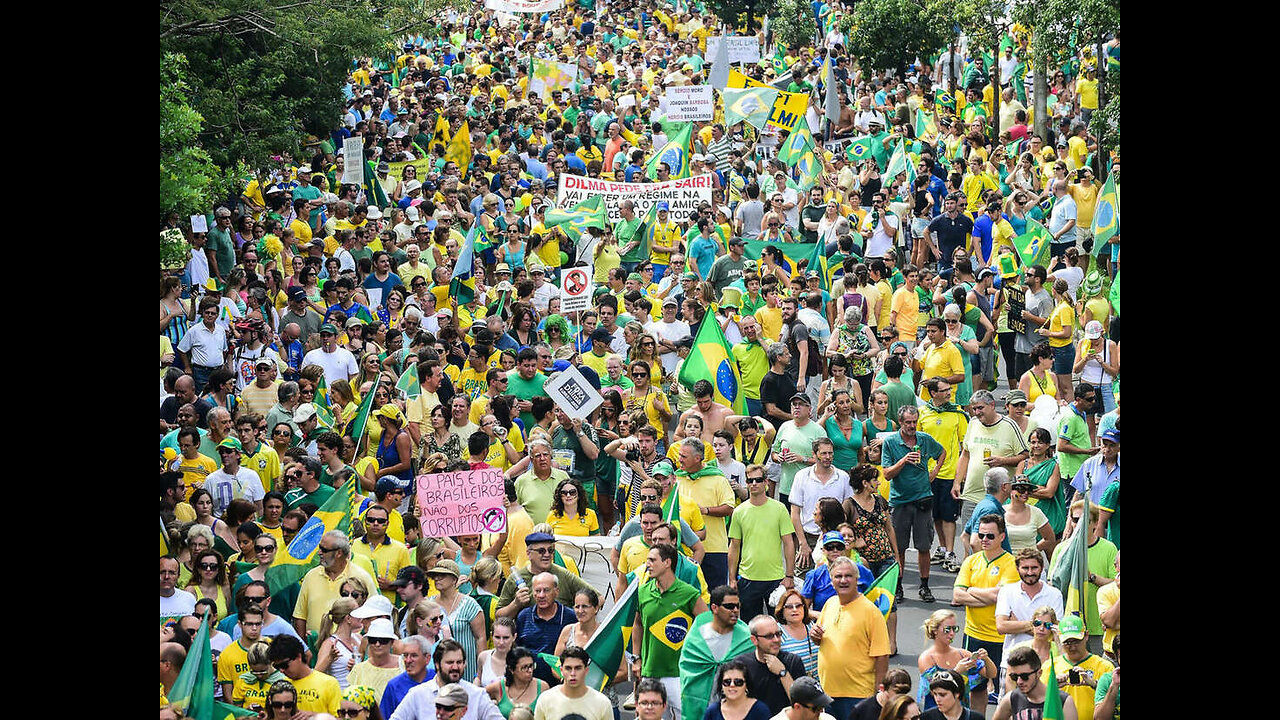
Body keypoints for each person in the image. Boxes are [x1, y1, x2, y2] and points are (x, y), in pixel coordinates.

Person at [951, 514, 1019, 713]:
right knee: (977, 689)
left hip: (1000, 638)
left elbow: (1001, 595)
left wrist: (971, 591)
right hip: (973, 636)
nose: (984, 540)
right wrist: (985, 596)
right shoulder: (971, 561)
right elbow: (957, 595)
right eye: (980, 535)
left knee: (1006, 690)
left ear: (1002, 537)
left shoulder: (1010, 563)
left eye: (990, 536)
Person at [809, 556, 891, 719]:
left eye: (848, 576)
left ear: (857, 579)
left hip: (858, 694)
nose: (843, 580)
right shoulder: (830, 604)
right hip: (827, 693)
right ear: (831, 580)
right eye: (838, 576)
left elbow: (882, 655)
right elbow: (821, 640)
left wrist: (877, 694)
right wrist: (815, 636)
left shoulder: (871, 612)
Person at [632, 543, 707, 718]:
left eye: (652, 560)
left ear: (667, 563)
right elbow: (638, 625)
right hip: (649, 672)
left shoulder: (689, 593)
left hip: (679, 673)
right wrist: (636, 658)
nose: (647, 564)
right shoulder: (642, 592)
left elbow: (707, 626)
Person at [881, 405, 945, 603]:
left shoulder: (924, 439)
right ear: (900, 422)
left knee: (924, 546)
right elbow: (886, 473)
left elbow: (941, 452)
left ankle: (924, 586)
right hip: (900, 501)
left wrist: (934, 472)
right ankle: (898, 586)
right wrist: (903, 461)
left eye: (914, 422)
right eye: (908, 422)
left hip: (923, 499)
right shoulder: (891, 442)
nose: (911, 426)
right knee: (898, 547)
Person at [729, 464, 797, 621]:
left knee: (779, 625)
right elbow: (734, 546)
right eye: (750, 480)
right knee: (749, 626)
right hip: (747, 578)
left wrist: (789, 575)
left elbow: (788, 543)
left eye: (758, 480)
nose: (753, 484)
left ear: (766, 482)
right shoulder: (739, 511)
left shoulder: (779, 508)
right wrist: (732, 579)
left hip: (775, 578)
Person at [678, 585, 756, 720]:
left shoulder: (746, 637)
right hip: (702, 704)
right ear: (714, 608)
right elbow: (688, 667)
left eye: (738, 606)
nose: (735, 610)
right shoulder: (697, 635)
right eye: (730, 606)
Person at [916, 608, 994, 712]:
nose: (952, 633)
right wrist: (956, 672)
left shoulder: (963, 654)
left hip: (961, 713)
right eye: (947, 629)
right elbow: (933, 689)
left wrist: (986, 659)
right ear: (935, 630)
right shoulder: (927, 658)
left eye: (955, 629)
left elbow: (991, 674)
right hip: (937, 713)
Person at [731, 614, 808, 717]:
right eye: (769, 636)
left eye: (778, 634)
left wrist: (783, 673)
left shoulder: (793, 661)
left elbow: (802, 706)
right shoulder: (740, 665)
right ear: (754, 640)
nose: (776, 639)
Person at [268, 633, 343, 715]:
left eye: (284, 665)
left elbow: (339, 717)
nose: (281, 670)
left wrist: (313, 715)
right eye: (277, 666)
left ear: (298, 656)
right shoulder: (280, 685)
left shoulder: (329, 683)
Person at [533, 647, 614, 720]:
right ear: (561, 670)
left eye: (578, 668)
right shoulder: (545, 699)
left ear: (586, 670)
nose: (573, 673)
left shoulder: (602, 703)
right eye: (568, 668)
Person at [381, 635, 437, 718]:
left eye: (414, 656)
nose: (408, 660)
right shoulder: (394, 686)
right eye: (405, 655)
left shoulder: (437, 679)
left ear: (427, 659)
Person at [703, 659, 773, 720]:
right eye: (727, 681)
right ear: (721, 685)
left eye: (738, 682)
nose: (732, 685)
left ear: (746, 685)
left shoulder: (760, 710)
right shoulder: (712, 711)